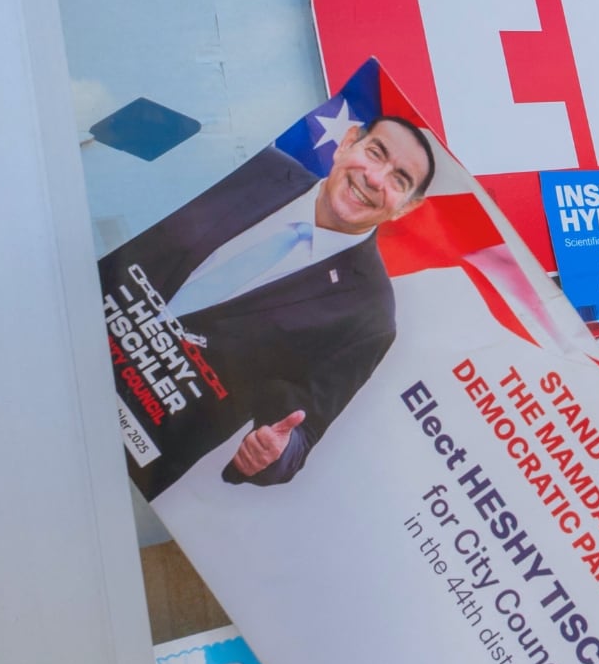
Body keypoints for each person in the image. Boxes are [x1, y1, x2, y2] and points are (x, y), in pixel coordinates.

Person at [102, 115, 433, 497]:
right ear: (347, 143)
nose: (375, 179)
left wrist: (274, 453)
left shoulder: (370, 315)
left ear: (406, 208)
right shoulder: (256, 167)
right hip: (60, 340)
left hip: (128, 451)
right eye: (375, 153)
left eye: (399, 180)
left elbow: (301, 436)